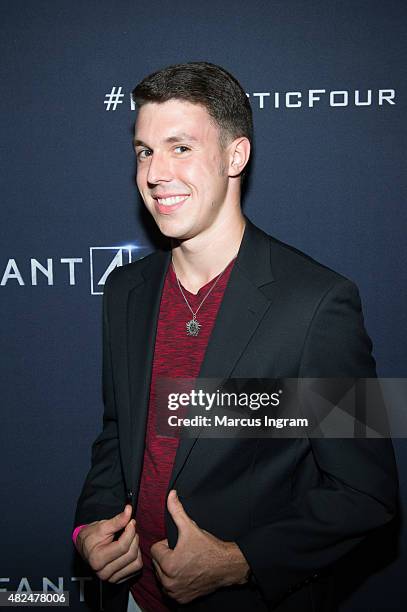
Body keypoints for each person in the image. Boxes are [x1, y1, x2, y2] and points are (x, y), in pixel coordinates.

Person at [73, 62, 398, 612]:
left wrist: (238, 560)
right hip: (130, 599)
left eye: (180, 148)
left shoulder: (318, 303)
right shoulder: (127, 290)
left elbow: (366, 494)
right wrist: (90, 525)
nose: (154, 174)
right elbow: (119, 433)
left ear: (234, 156)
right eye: (144, 151)